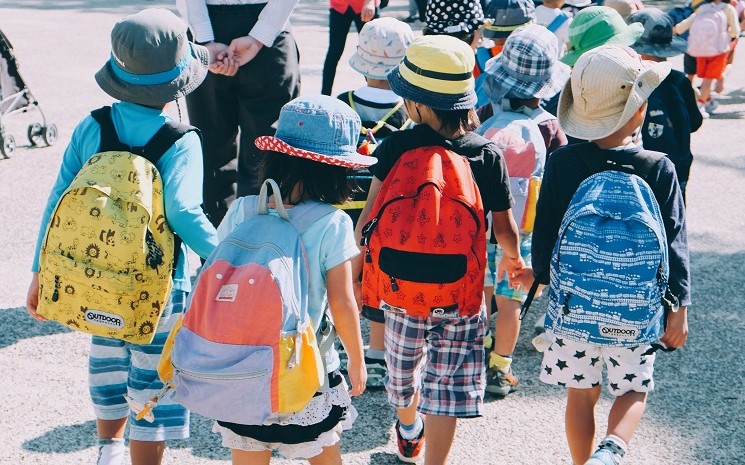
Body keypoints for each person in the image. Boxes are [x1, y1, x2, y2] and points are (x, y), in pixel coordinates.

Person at [25, 9, 219, 465]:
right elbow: (184, 213)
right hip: (158, 287)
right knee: (152, 378)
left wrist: (40, 271)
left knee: (107, 363)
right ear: (176, 84)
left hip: (89, 278)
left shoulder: (92, 125)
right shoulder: (180, 139)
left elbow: (57, 202)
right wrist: (227, 256)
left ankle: (107, 448)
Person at [354, 35, 525, 464]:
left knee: (402, 375)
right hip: (460, 293)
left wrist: (358, 272)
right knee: (445, 388)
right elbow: (504, 228)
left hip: (399, 290)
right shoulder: (486, 155)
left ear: (415, 104)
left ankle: (409, 429)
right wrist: (513, 259)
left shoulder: (394, 147)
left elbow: (367, 220)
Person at [531, 44, 690, 465]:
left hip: (574, 309)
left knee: (580, 396)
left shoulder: (563, 162)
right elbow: (675, 243)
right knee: (634, 389)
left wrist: (544, 277)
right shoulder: (659, 167)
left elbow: (544, 238)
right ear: (638, 111)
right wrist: (679, 308)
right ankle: (613, 450)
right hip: (635, 314)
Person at [211, 95, 370, 464]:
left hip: (243, 361)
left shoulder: (243, 208)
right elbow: (343, 302)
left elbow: (216, 270)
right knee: (322, 453)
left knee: (249, 453)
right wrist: (358, 360)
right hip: (306, 366)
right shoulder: (332, 223)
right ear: (336, 170)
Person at [475, 24, 570, 396]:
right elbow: (557, 182)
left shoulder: (485, 112)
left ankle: (471, 355)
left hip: (481, 225)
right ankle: (500, 369)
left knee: (479, 294)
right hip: (523, 230)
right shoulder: (550, 127)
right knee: (510, 300)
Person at [337, 17, 414, 388]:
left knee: (342, 278)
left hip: (340, 208)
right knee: (380, 282)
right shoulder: (409, 113)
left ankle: (338, 344)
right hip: (384, 211)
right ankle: (377, 354)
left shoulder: (342, 105)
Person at [178, 0, 301, 227]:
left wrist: (207, 38)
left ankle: (230, 251)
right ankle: (239, 250)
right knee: (225, 155)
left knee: (264, 154)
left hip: (257, 28)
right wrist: (257, 37)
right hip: (263, 28)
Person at [627, 8, 703, 201]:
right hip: (678, 164)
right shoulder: (680, 80)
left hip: (642, 168)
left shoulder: (634, 83)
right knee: (674, 215)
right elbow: (694, 122)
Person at [673, 0, 741, 115]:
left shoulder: (703, 8)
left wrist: (676, 29)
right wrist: (728, 36)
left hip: (700, 49)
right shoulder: (729, 9)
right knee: (707, 80)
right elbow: (735, 31)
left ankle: (705, 101)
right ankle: (701, 105)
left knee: (697, 77)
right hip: (718, 51)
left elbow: (686, 23)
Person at [321, 0, 378, 96]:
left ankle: (376, 96)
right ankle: (324, 97)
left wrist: (370, 2)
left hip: (365, 6)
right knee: (334, 52)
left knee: (372, 54)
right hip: (339, 5)